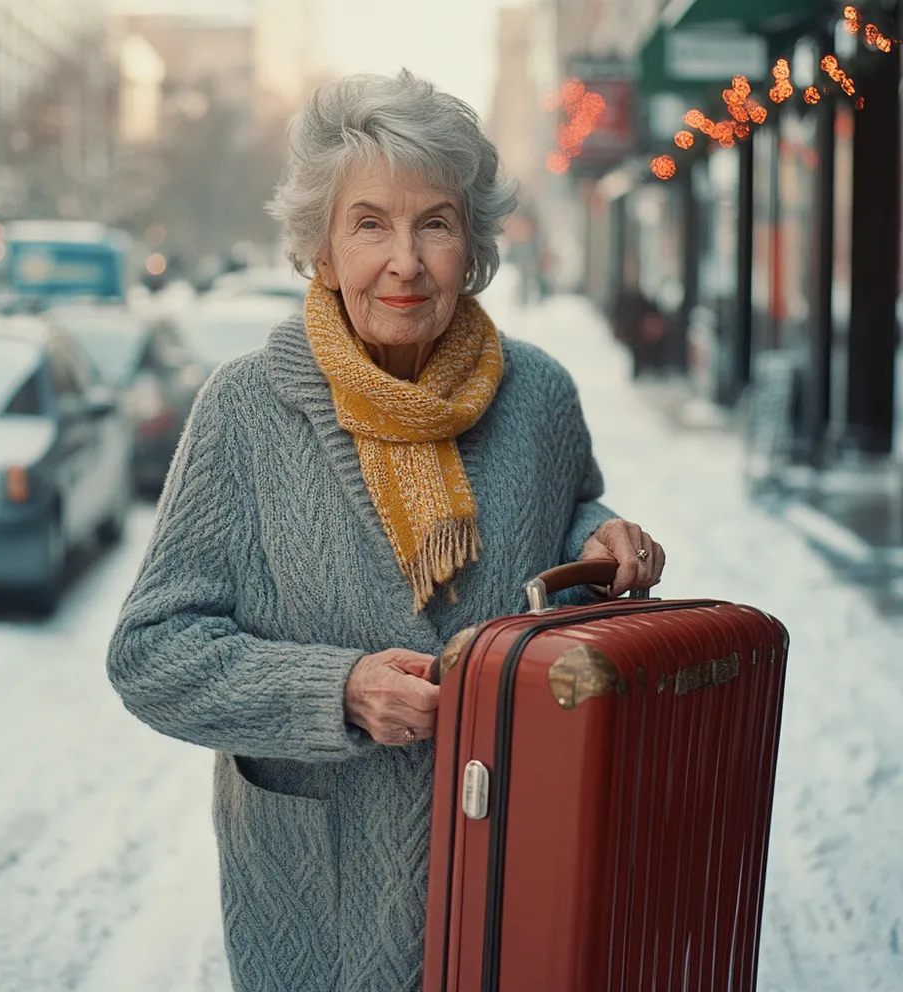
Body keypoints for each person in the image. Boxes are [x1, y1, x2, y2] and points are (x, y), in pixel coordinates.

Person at [106, 69, 666, 992]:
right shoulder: (245, 411)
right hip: (320, 902)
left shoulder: (539, 397)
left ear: (473, 245)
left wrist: (603, 539)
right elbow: (152, 653)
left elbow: (562, 515)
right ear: (321, 248)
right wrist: (338, 690)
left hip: (512, 886)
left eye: (434, 223)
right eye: (370, 224)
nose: (404, 260)